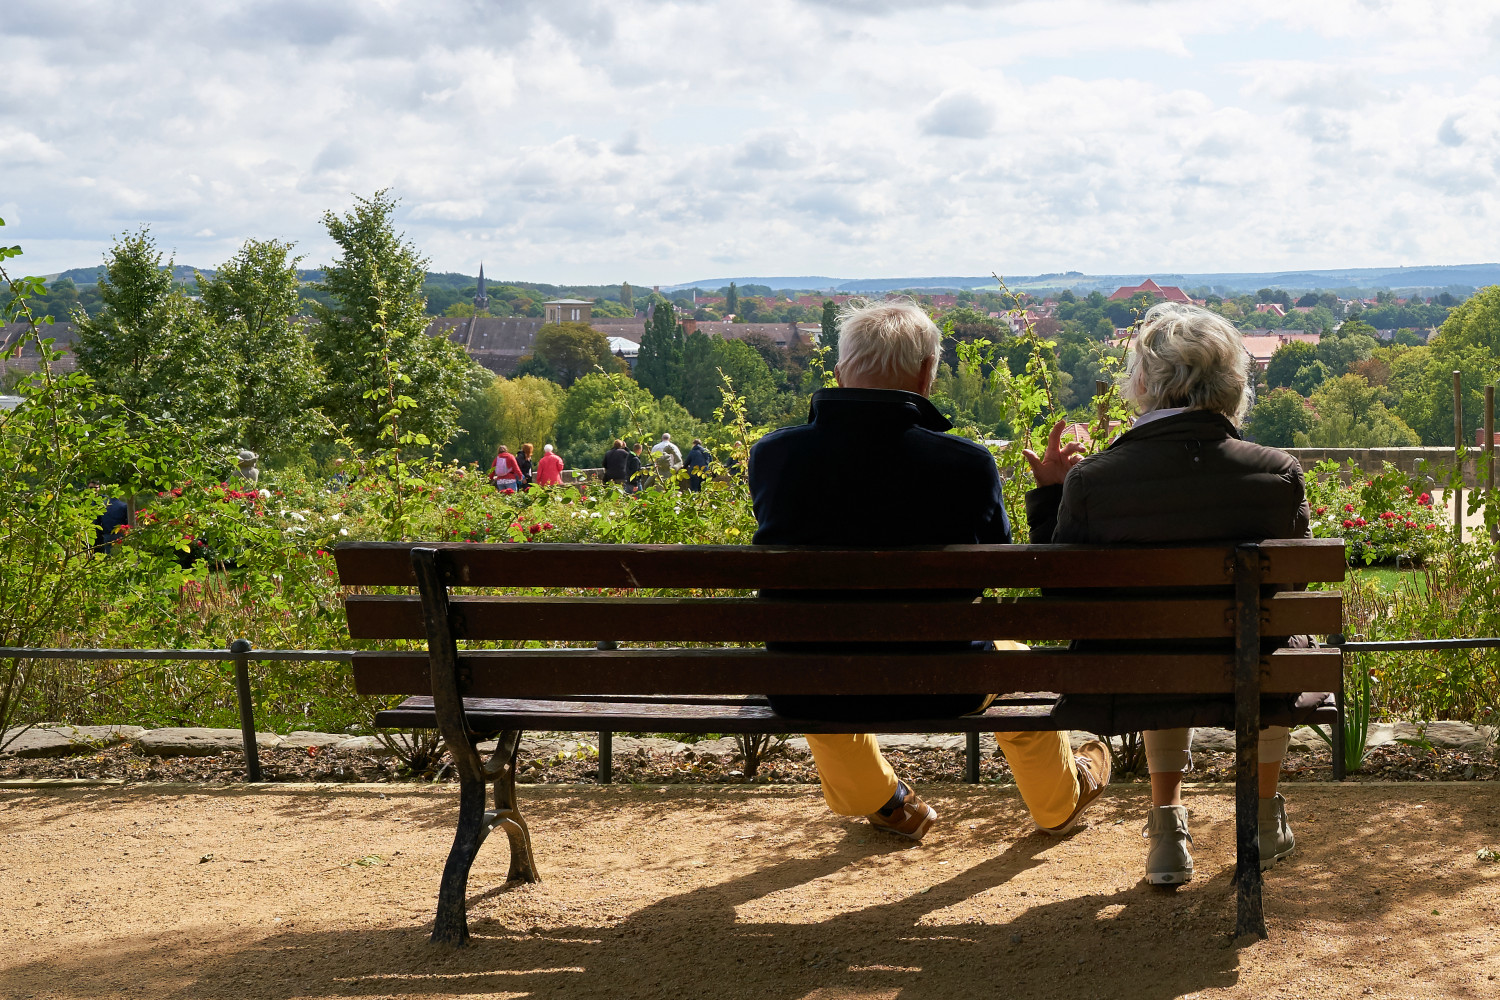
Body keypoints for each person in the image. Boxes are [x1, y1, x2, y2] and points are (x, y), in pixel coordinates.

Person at [749, 298, 1110, 842]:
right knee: (1021, 666)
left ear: (842, 372)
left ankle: (882, 801)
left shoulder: (774, 456)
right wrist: (1053, 494)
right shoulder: (966, 463)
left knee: (812, 650)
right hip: (943, 682)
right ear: (926, 375)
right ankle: (1060, 799)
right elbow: (998, 564)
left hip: (808, 681)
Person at [1023, 301, 1322, 886]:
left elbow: (1056, 595)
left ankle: (1166, 829)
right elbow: (1294, 585)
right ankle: (1262, 817)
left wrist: (1050, 496)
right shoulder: (1277, 473)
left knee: (1159, 642)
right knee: (1269, 640)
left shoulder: (1094, 480)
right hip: (1249, 665)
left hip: (1136, 675)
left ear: (1143, 382)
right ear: (1234, 384)